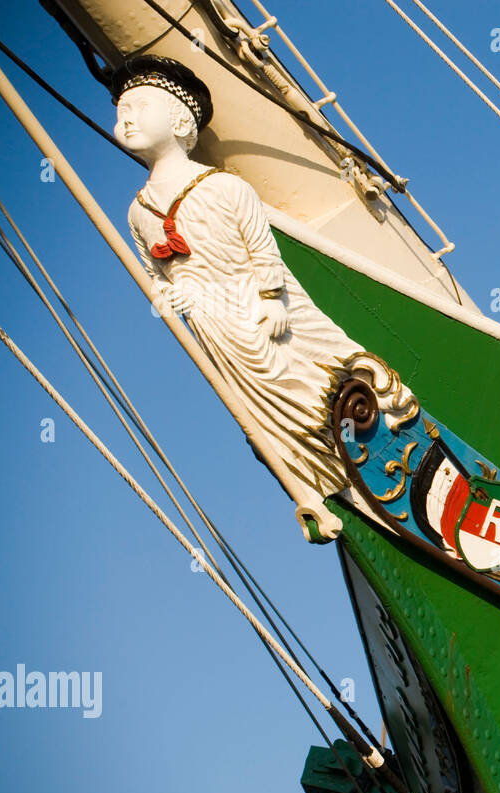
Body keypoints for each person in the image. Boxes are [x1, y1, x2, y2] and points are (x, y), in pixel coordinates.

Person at [112, 55, 412, 519]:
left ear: (178, 119)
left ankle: (349, 447)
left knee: (298, 381)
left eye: (138, 106)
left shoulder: (223, 187)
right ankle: (311, 479)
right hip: (213, 328)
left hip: (253, 309)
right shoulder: (137, 212)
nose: (125, 117)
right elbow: (156, 274)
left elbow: (260, 246)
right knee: (257, 409)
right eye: (120, 112)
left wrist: (272, 298)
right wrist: (163, 295)